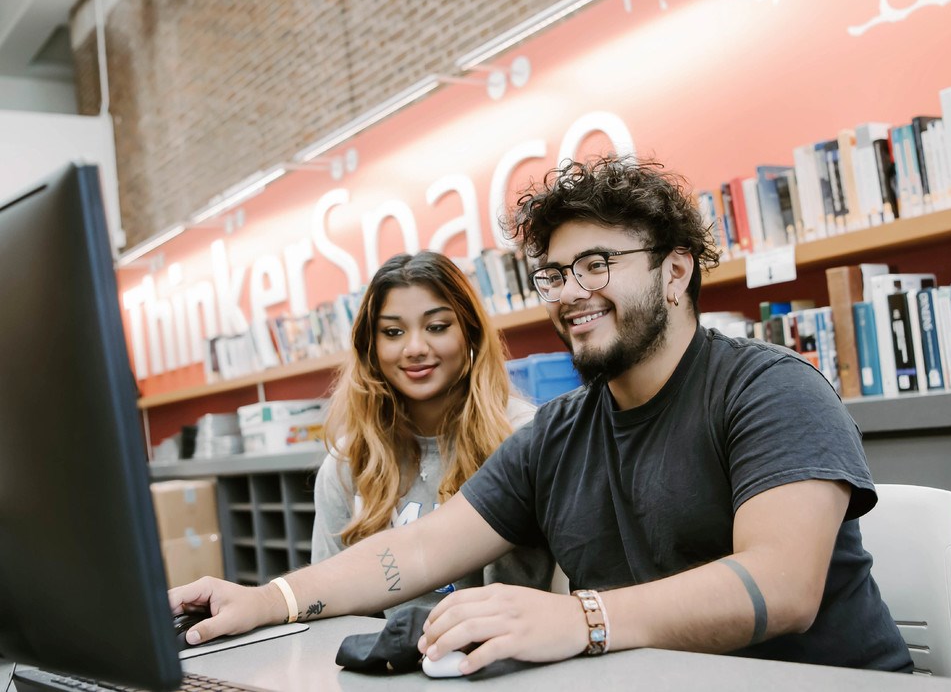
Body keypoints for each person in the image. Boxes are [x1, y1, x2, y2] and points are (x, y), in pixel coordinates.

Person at [169, 155, 912, 676]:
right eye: (554, 274)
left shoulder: (771, 389)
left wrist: (581, 619)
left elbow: (781, 585)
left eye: (597, 265)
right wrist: (269, 600)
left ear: (676, 271)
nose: (569, 292)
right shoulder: (559, 432)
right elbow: (423, 550)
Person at [311, 251, 552, 613]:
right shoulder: (347, 463)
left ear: (469, 332)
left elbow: (522, 603)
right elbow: (326, 599)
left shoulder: (520, 438)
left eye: (437, 327)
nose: (415, 349)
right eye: (393, 332)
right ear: (371, 348)